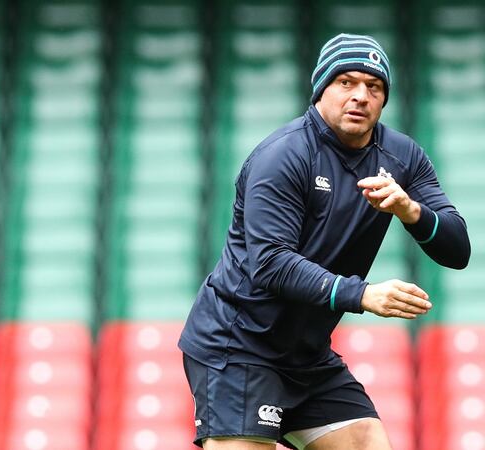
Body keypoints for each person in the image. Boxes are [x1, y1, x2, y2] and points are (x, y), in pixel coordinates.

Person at [178, 33, 471, 450]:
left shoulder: (403, 157)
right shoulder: (283, 155)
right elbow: (271, 264)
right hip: (237, 345)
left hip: (307, 355)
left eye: (374, 87)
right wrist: (362, 295)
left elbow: (457, 249)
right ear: (321, 90)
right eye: (346, 82)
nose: (360, 96)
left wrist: (412, 211)